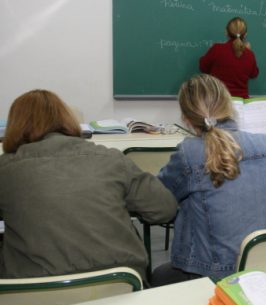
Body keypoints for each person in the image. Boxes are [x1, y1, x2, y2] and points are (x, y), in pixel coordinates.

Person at [0, 90, 177, 281]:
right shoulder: (111, 159)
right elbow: (165, 209)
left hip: (31, 293)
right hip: (119, 283)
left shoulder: (6, 169)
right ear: (66, 120)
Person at [153, 74, 266, 286]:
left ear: (186, 119)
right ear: (229, 106)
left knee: (158, 275)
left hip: (213, 274)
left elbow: (159, 199)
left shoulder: (188, 152)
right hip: (264, 268)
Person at [199, 17, 259, 99]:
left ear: (226, 32)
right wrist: (248, 52)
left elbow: (203, 67)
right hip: (240, 103)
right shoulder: (250, 55)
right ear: (245, 35)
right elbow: (254, 74)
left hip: (218, 102)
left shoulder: (217, 49)